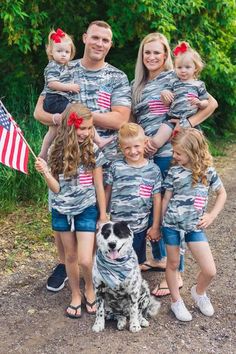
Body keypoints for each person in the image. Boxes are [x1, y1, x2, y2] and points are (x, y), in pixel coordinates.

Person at [34, 20, 131, 292]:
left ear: (110, 45)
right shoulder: (64, 66)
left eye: (105, 40)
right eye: (95, 38)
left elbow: (120, 118)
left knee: (97, 214)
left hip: (100, 158)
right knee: (61, 207)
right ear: (85, 38)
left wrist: (81, 116)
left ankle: (97, 265)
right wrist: (61, 117)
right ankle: (64, 264)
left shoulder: (116, 77)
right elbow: (39, 112)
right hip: (63, 157)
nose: (100, 43)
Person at [132, 32, 218, 297]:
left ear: (166, 55)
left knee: (173, 208)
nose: (152, 57)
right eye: (148, 52)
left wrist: (189, 123)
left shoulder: (176, 76)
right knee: (152, 204)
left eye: (157, 52)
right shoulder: (136, 83)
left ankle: (177, 273)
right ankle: (158, 258)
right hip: (145, 152)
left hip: (172, 151)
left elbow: (211, 103)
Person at [35, 103, 108, 318]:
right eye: (81, 128)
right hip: (62, 210)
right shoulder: (55, 150)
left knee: (86, 259)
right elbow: (56, 188)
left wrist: (103, 215)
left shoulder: (93, 150)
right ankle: (76, 294)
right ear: (69, 126)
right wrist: (46, 173)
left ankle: (90, 288)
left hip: (86, 208)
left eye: (89, 128)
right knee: (70, 256)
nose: (85, 133)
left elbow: (98, 186)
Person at [162, 128, 226, 321]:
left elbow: (222, 194)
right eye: (174, 152)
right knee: (172, 263)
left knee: (210, 270)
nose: (175, 156)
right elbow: (165, 199)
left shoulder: (208, 172)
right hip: (172, 224)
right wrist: (157, 225)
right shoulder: (173, 172)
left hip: (194, 227)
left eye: (178, 153)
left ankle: (199, 292)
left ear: (192, 152)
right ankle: (176, 301)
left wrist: (211, 215)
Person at [39, 28, 112, 160]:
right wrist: (69, 87)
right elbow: (51, 84)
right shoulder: (53, 66)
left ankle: (43, 153)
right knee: (82, 114)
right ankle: (99, 140)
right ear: (51, 51)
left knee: (53, 130)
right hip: (55, 99)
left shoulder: (66, 67)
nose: (63, 55)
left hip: (57, 100)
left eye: (66, 52)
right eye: (59, 51)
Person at [105, 123, 162, 264]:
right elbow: (108, 191)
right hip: (116, 226)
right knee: (115, 259)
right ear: (121, 148)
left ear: (145, 143)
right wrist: (103, 216)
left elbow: (157, 200)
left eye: (137, 146)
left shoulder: (153, 170)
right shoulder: (116, 167)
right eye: (127, 148)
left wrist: (155, 226)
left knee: (136, 261)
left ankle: (134, 283)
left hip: (139, 227)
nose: (133, 151)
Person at [147, 41, 209, 152]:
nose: (183, 70)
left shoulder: (199, 85)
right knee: (156, 141)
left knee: (195, 148)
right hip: (172, 118)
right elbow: (167, 103)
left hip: (190, 122)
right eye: (179, 67)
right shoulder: (174, 82)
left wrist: (200, 103)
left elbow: (206, 103)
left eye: (187, 67)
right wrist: (164, 93)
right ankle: (149, 156)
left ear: (195, 68)